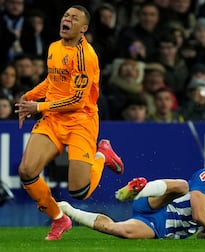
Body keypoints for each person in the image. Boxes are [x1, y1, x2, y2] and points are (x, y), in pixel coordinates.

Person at [14, 5, 124, 241]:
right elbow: (52, 80)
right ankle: (59, 219)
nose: (67, 19)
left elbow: (77, 100)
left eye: (74, 18)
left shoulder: (86, 57)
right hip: (53, 119)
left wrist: (39, 106)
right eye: (65, 16)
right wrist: (29, 96)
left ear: (83, 28)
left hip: (80, 121)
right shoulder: (54, 47)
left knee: (80, 192)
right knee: (26, 171)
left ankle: (102, 155)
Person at [58, 155, 205, 240]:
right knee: (182, 186)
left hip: (161, 227)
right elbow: (198, 215)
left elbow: (200, 232)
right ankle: (137, 192)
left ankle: (67, 210)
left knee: (117, 230)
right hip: (159, 204)